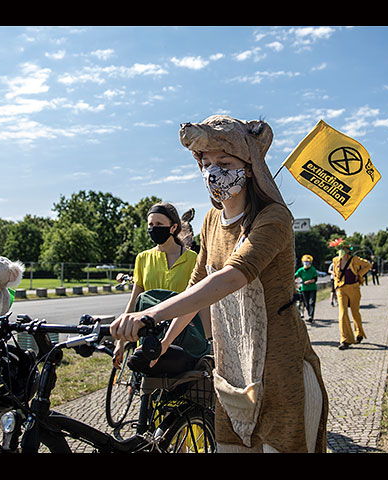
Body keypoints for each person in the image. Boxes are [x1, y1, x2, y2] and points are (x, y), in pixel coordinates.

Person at [111, 115, 329, 453]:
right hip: (232, 367)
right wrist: (166, 342)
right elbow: (198, 287)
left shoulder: (273, 218)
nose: (213, 171)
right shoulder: (212, 220)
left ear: (250, 166)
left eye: (224, 162)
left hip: (279, 368)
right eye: (206, 162)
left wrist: (150, 314)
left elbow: (231, 277)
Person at [114, 202, 209, 374]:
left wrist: (208, 340)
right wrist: (120, 341)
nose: (153, 228)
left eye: (159, 224)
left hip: (183, 336)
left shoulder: (192, 259)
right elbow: (134, 300)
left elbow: (200, 301)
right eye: (150, 224)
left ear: (173, 227)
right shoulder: (143, 258)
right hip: (148, 336)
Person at [329, 238, 372, 350]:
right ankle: (345, 340)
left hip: (354, 288)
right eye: (339, 248)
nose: (341, 250)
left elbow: (368, 265)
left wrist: (359, 274)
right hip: (341, 289)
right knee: (342, 314)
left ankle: (359, 334)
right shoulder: (335, 260)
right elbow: (335, 274)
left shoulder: (355, 259)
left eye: (343, 248)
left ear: (347, 250)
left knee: (355, 312)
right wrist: (336, 285)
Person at [294, 254, 318, 322]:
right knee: (306, 303)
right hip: (304, 289)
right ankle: (309, 313)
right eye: (305, 262)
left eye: (308, 262)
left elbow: (315, 279)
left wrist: (309, 281)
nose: (306, 263)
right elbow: (295, 276)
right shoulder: (301, 270)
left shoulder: (313, 269)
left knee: (311, 302)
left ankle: (311, 316)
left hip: (312, 288)